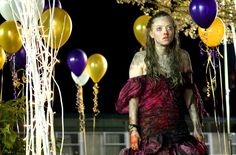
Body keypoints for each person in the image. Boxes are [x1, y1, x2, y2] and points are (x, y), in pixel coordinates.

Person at [115, 11, 209, 155]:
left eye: (169, 28)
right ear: (151, 34)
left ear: (174, 31)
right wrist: (133, 129)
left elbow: (189, 95)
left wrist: (197, 127)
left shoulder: (183, 57)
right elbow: (133, 99)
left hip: (177, 129)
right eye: (159, 29)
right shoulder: (140, 59)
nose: (165, 32)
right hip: (150, 131)